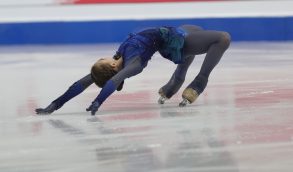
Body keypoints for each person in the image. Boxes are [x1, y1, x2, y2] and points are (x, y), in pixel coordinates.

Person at [35, 25, 231, 115]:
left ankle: (174, 82)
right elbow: (112, 81)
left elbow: (83, 82)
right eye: (100, 60)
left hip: (173, 33)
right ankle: (200, 82)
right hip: (173, 44)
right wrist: (98, 101)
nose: (101, 57)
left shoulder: (118, 55)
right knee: (222, 38)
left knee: (194, 27)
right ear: (111, 66)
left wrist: (55, 104)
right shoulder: (133, 64)